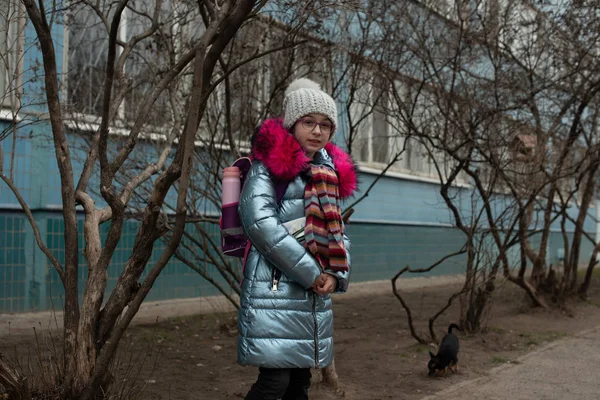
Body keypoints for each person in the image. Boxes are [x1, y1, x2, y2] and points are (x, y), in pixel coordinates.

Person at [238, 78, 358, 400]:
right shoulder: (267, 169)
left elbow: (338, 232)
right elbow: (261, 223)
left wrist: (335, 273)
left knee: (298, 383)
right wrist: (311, 271)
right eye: (308, 123)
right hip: (275, 288)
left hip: (313, 294)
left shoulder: (327, 173)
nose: (317, 132)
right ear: (292, 124)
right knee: (274, 382)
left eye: (325, 125)